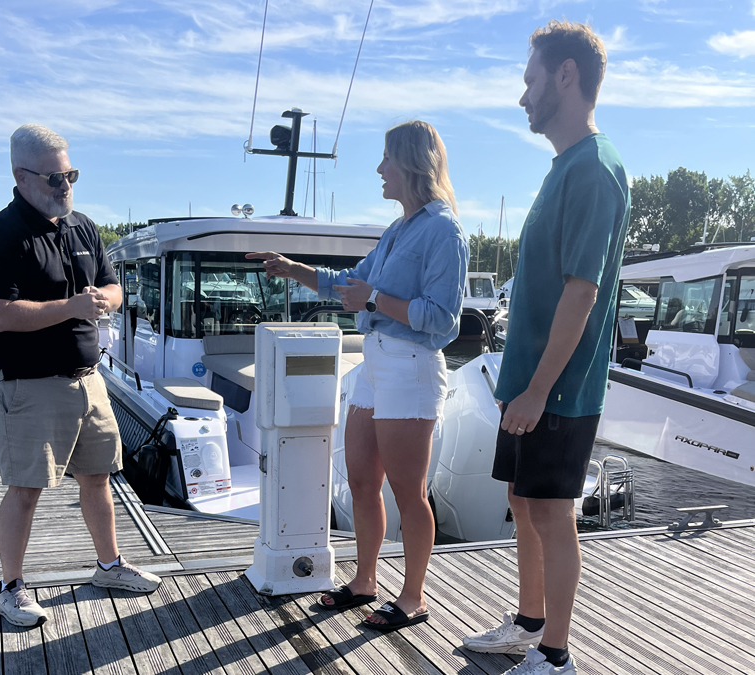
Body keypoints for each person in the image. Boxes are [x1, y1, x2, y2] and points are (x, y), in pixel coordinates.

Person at [247, 120, 468, 632]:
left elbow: (443, 321)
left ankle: (413, 598)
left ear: (412, 163)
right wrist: (290, 267)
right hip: (375, 363)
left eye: (387, 158)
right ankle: (365, 580)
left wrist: (373, 299)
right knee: (363, 479)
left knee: (409, 493)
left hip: (411, 367)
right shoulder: (399, 229)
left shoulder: (444, 230)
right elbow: (348, 282)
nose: (379, 169)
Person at [461, 21, 631, 675]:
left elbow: (581, 290)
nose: (522, 95)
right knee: (523, 501)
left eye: (530, 79)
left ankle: (555, 656)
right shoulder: (566, 167)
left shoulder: (595, 168)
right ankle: (528, 623)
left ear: (565, 75)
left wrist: (537, 388)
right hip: (529, 379)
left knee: (554, 512)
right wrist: (520, 382)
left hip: (558, 386)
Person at [0, 124, 161, 628]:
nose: (66, 186)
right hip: (29, 384)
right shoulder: (1, 235)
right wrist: (73, 306)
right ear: (22, 176)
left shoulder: (83, 226)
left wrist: (106, 299)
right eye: (55, 178)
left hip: (88, 378)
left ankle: (110, 566)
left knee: (99, 477)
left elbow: (112, 287)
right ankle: (9, 588)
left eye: (71, 175)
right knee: (25, 488)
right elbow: (2, 315)